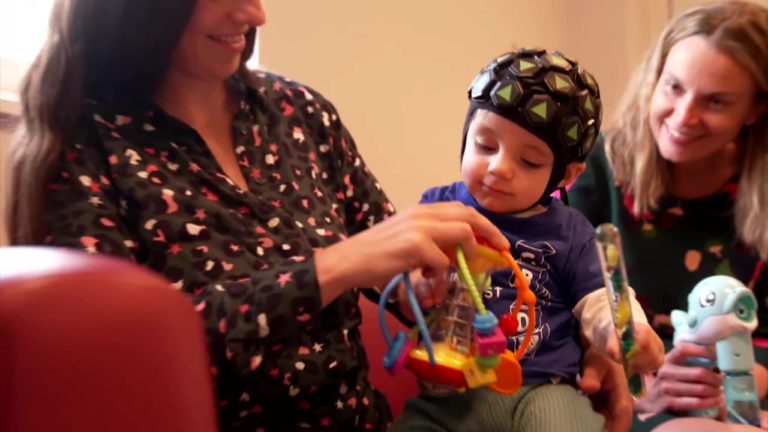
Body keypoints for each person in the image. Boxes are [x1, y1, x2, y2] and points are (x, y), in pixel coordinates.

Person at [7, 1, 634, 431]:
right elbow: (124, 366)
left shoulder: (299, 114)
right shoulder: (87, 143)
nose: (255, 14)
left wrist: (580, 344)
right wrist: (332, 267)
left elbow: (404, 274)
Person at [390, 48, 665, 432]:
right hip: (447, 396)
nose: (499, 168)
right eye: (485, 146)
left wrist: (624, 331)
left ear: (566, 175)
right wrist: (413, 287)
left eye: (529, 162)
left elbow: (600, 299)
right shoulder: (437, 208)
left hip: (541, 390)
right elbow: (396, 276)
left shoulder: (571, 232)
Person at [568, 1, 768, 431]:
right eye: (674, 87)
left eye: (715, 101)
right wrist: (641, 386)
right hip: (618, 393)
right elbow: (556, 300)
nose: (683, 116)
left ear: (754, 109)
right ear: (654, 79)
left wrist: (740, 381)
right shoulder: (595, 168)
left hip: (740, 395)